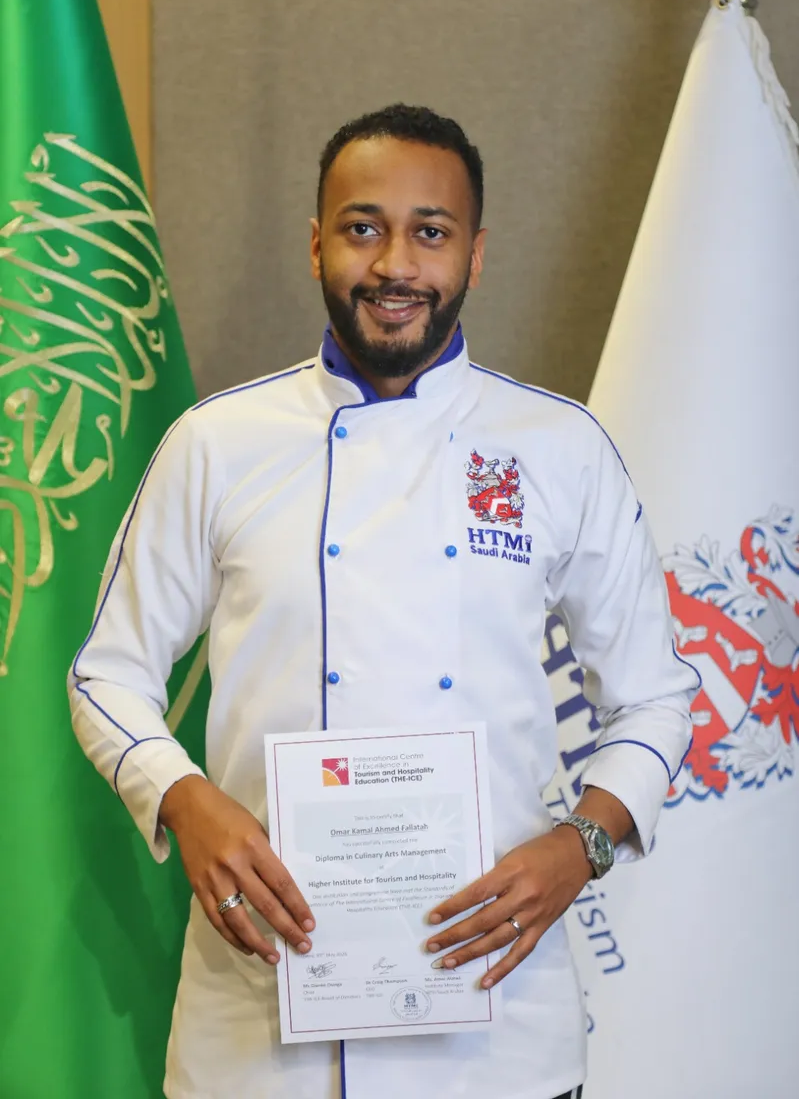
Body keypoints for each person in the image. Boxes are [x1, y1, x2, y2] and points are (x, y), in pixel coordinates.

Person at [69, 103, 698, 1099]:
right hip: (256, 1028)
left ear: (474, 254)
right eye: (362, 228)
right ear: (317, 244)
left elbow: (656, 698)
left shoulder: (559, 449)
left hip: (497, 1029)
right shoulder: (215, 445)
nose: (395, 263)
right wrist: (184, 800)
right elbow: (106, 676)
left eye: (429, 232)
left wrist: (581, 845)